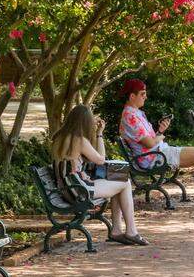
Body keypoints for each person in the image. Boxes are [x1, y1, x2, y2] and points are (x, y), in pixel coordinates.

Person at [118, 78, 194, 209]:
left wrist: (160, 131)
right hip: (155, 157)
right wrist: (160, 137)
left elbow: (148, 141)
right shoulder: (130, 116)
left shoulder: (136, 113)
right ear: (132, 96)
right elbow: (150, 143)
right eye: (142, 94)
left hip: (157, 153)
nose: (146, 96)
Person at [51, 104, 149, 245]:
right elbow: (101, 160)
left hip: (67, 188)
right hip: (78, 190)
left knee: (118, 182)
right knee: (125, 182)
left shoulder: (59, 137)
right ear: (85, 122)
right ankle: (131, 231)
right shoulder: (79, 140)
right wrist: (99, 133)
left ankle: (117, 230)